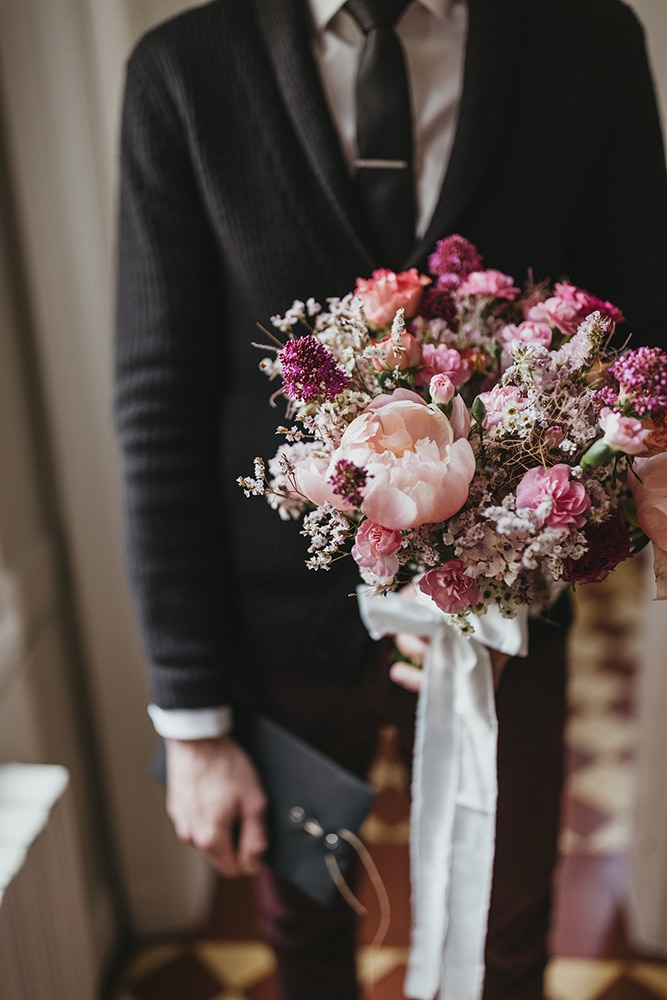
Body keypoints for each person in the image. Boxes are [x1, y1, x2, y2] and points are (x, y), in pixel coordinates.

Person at [113, 1, 667, 998]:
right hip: (274, 625)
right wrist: (190, 720)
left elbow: (640, 340)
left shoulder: (585, 39)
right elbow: (158, 397)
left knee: (505, 937)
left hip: (504, 622)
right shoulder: (183, 70)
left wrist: (543, 535)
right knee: (305, 934)